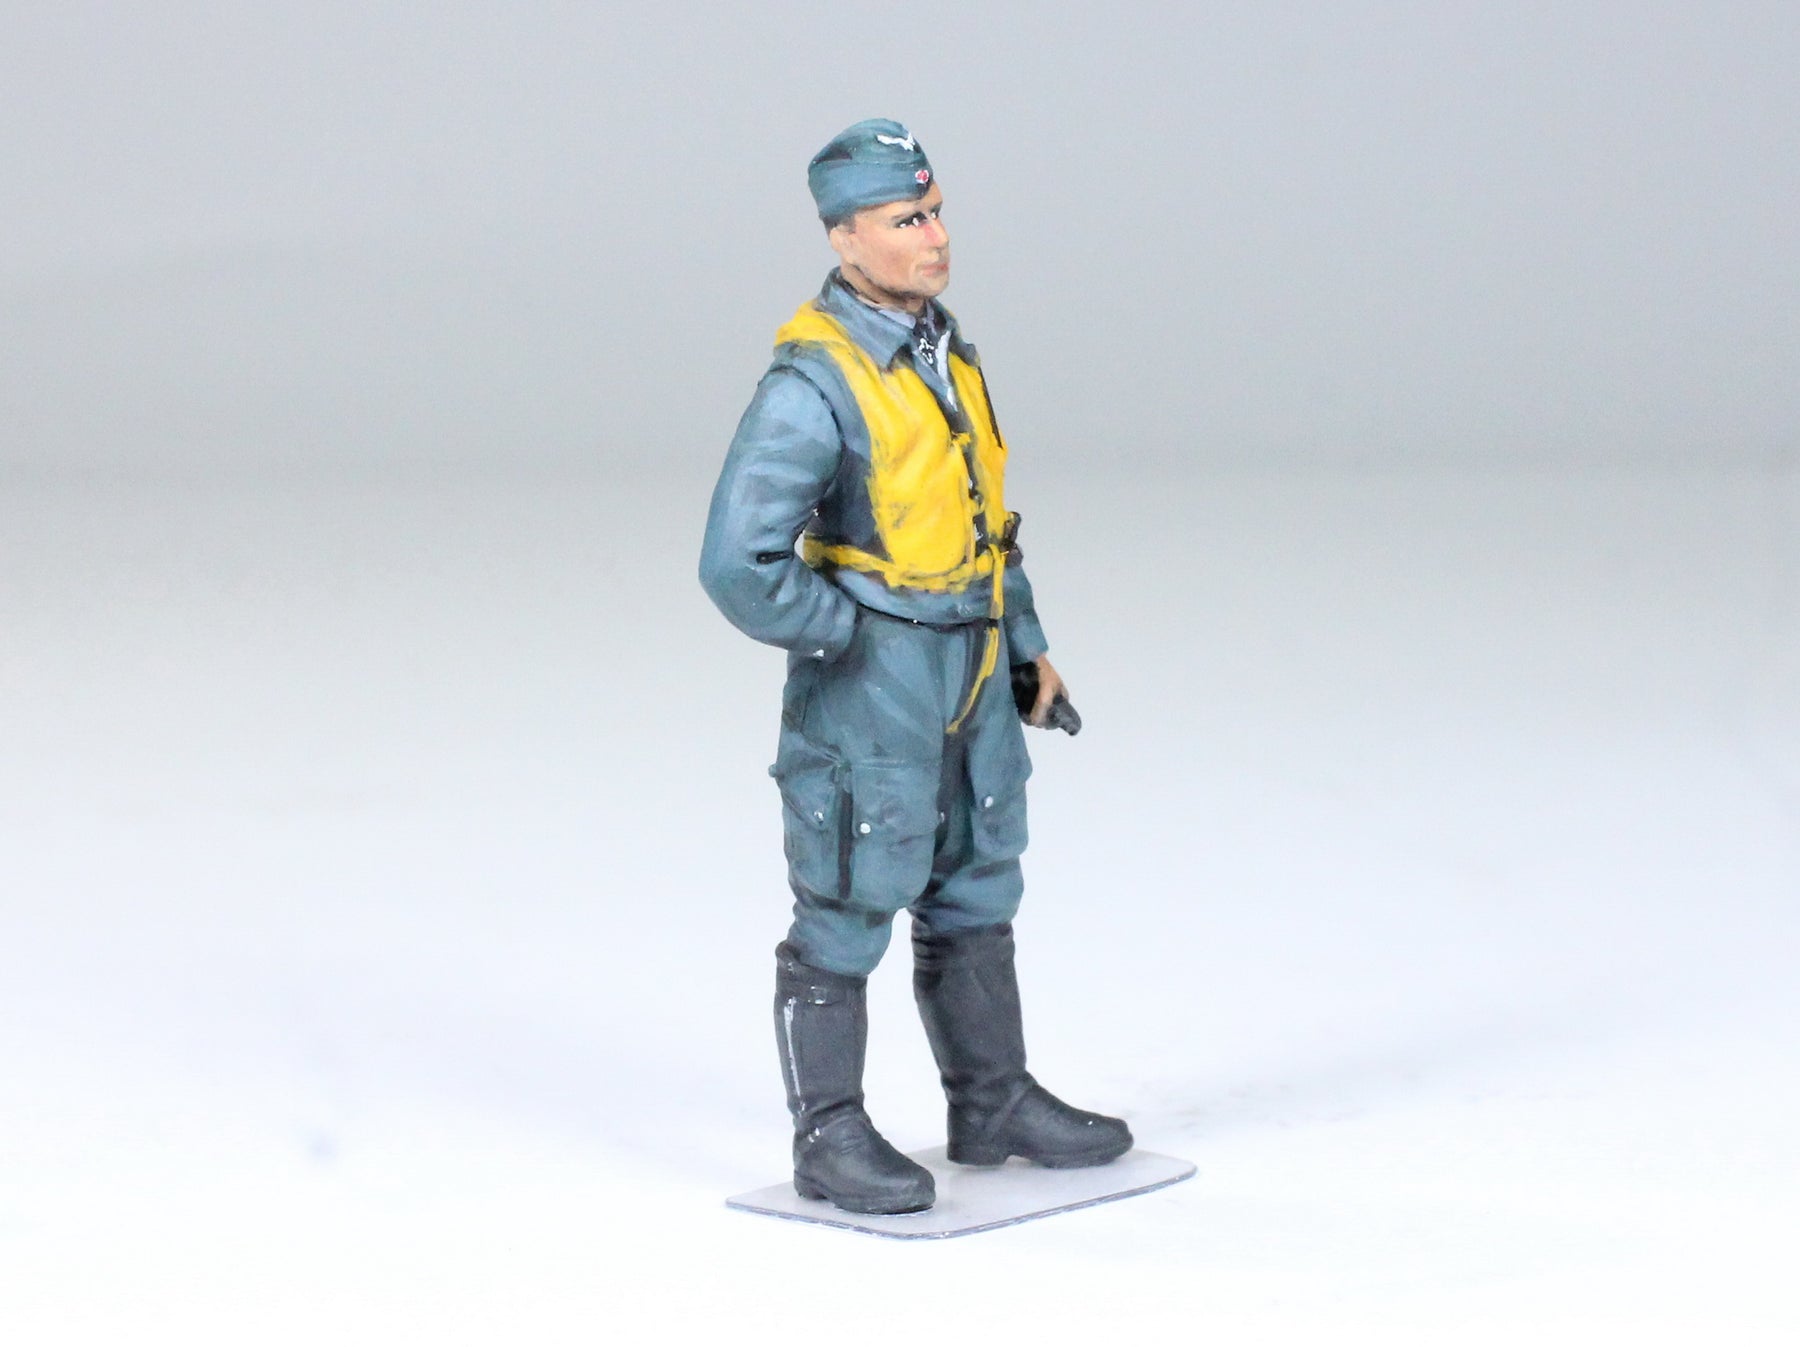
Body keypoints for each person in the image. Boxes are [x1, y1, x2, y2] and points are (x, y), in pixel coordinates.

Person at [699, 119, 1131, 1216]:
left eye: (936, 213)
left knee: (978, 875)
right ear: (845, 238)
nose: (935, 237)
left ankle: (992, 1100)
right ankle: (828, 1133)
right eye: (906, 219)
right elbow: (738, 560)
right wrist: (848, 634)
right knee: (852, 891)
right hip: (877, 678)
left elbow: (987, 527)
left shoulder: (943, 353)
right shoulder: (817, 382)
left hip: (971, 664)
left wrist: (1024, 644)